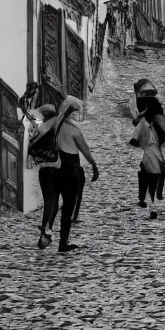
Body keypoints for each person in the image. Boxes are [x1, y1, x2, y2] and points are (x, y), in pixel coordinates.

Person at [55, 96, 99, 252]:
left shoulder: (54, 125)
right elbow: (84, 150)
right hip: (70, 169)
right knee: (68, 206)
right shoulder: (73, 130)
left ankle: (45, 233)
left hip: (54, 168)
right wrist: (94, 165)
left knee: (52, 204)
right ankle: (63, 242)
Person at [26, 103, 62, 250]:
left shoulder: (43, 129)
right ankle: (48, 227)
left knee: (49, 199)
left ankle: (45, 227)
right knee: (54, 200)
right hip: (59, 167)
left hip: (46, 168)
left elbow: (32, 143)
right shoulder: (59, 128)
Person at [130, 108, 165, 220]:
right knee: (149, 177)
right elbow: (134, 139)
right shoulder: (144, 125)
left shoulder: (152, 125)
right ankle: (150, 200)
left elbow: (134, 140)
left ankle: (150, 199)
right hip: (148, 154)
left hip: (152, 154)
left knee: (149, 177)